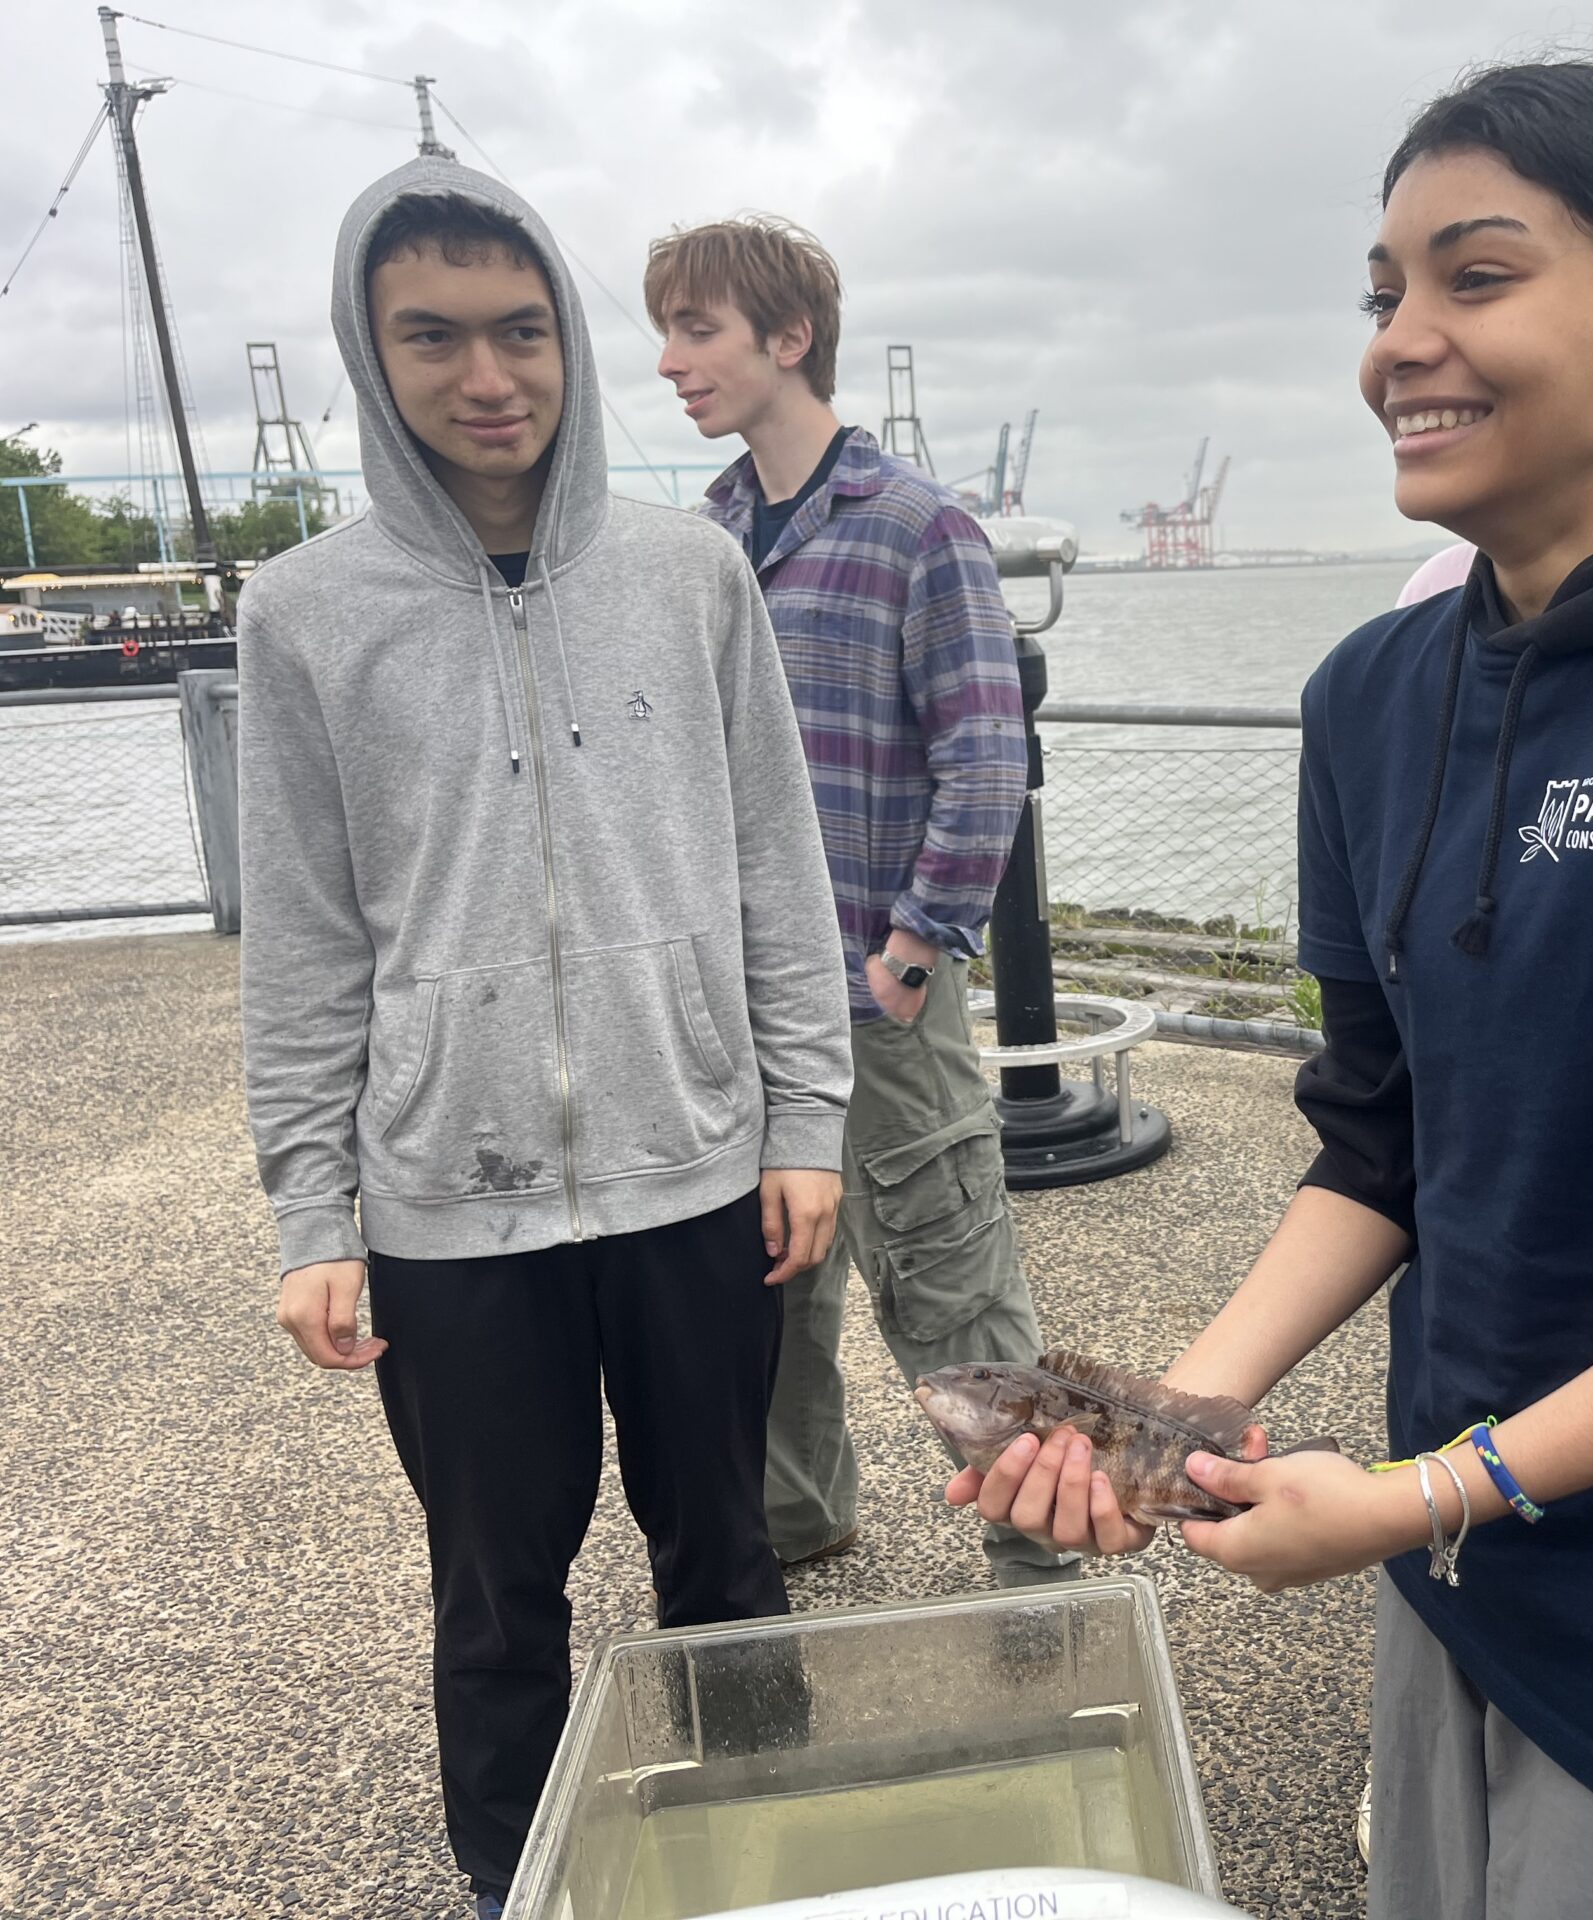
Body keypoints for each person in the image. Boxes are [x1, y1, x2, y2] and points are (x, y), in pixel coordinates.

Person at [955, 61, 1593, 1918]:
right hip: (1463, 1564)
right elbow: (1384, 1139)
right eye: (1384, 292)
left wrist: (1424, 1493)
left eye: (1480, 276)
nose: (1402, 342)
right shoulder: (1373, 695)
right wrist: (1173, 1417)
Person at [238, 162, 853, 1920]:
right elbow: (304, 941)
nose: (487, 376)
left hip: (695, 1169)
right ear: (372, 353)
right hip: (449, 1199)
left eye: (522, 331)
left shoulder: (692, 571)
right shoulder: (304, 613)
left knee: (726, 1555)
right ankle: (522, 1882)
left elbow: (775, 866)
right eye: (431, 336)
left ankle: (761, 1860)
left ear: (569, 340)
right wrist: (313, 1213)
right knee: (497, 1596)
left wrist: (803, 1120)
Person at [645, 217, 1073, 1586]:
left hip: (878, 991)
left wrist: (913, 948)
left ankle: (1036, 1553)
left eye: (698, 329)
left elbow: (985, 755)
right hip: (743, 1000)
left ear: (790, 337)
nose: (671, 362)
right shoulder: (702, 543)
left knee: (949, 1279)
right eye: (666, 332)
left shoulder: (917, 527)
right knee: (769, 1284)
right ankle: (795, 1519)